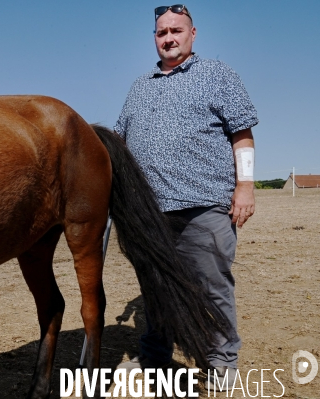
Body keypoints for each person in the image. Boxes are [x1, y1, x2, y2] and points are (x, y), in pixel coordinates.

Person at [113, 4, 257, 391]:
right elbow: (120, 143)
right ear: (154, 39)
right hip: (148, 214)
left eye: (176, 30)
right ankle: (155, 357)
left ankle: (221, 364)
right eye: (162, 33)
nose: (169, 38)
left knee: (212, 287)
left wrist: (245, 186)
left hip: (205, 207)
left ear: (193, 34)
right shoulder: (140, 86)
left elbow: (241, 132)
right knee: (156, 288)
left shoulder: (216, 74)